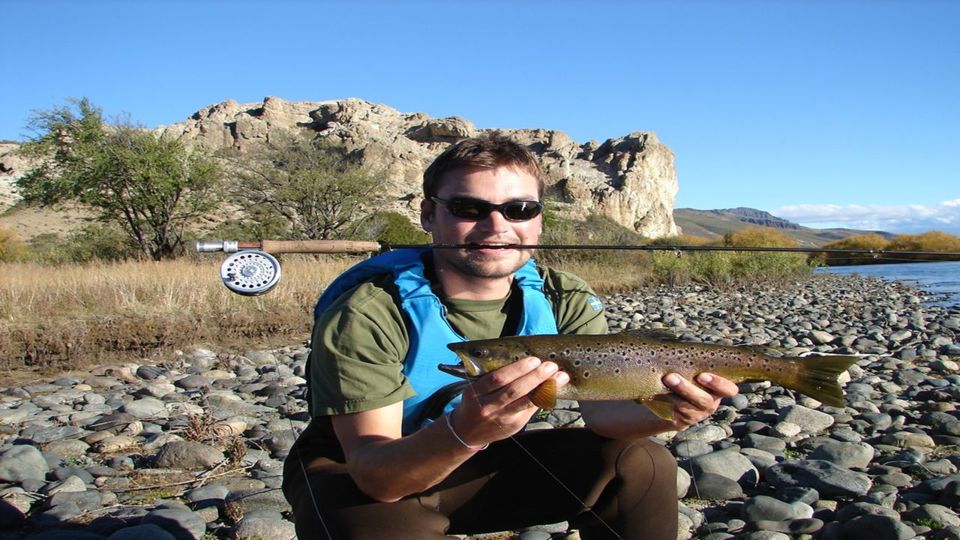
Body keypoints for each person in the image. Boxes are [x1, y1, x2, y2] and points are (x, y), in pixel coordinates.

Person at [282, 134, 739, 539]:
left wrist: (669, 414)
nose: (496, 226)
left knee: (644, 463)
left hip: (476, 460)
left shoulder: (564, 295)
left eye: (519, 210)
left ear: (539, 220)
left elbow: (602, 417)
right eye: (468, 209)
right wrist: (464, 430)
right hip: (363, 473)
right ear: (428, 214)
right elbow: (379, 480)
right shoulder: (367, 312)